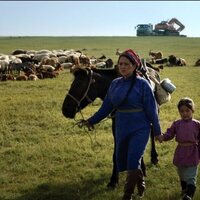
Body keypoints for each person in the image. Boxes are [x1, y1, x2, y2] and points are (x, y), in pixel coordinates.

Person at [83, 49, 162, 199]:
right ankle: (140, 182)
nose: (123, 67)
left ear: (134, 66)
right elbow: (106, 107)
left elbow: (152, 110)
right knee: (124, 160)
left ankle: (127, 195)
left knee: (133, 160)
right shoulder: (114, 84)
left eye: (127, 64)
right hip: (122, 127)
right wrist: (91, 120)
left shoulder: (143, 84)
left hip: (140, 127)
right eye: (121, 64)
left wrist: (157, 131)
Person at [157, 97, 200, 200]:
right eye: (182, 111)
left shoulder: (197, 124)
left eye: (187, 111)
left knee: (191, 176)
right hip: (181, 152)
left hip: (193, 152)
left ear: (192, 111)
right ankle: (184, 191)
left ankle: (189, 196)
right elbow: (170, 134)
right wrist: (162, 137)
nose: (184, 113)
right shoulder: (177, 124)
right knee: (182, 174)